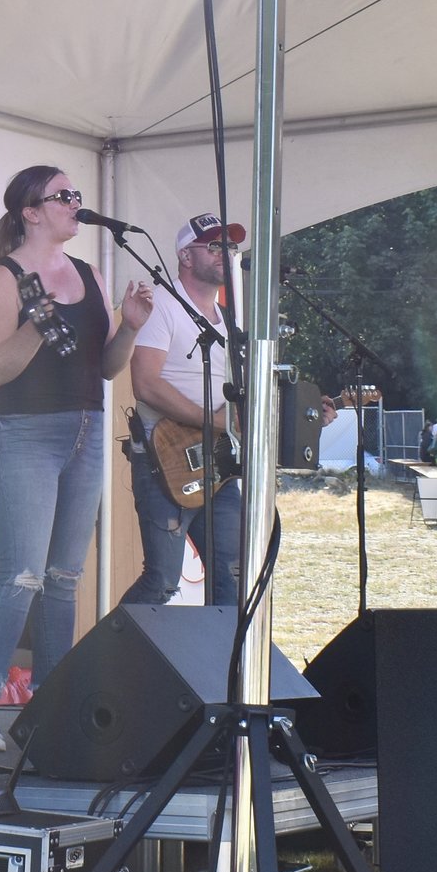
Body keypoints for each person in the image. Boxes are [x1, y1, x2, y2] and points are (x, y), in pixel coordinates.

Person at [0, 167, 153, 748]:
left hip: (85, 429)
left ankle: (45, 709)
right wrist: (36, 325)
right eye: (64, 196)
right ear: (31, 211)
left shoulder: (90, 273)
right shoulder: (5, 277)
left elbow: (105, 367)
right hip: (21, 431)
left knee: (63, 579)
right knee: (20, 571)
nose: (77, 203)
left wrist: (130, 327)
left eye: (78, 195)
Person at [121, 214, 246, 611]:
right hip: (166, 459)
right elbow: (146, 384)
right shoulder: (163, 306)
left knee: (235, 577)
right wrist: (213, 421)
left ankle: (222, 671)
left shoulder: (229, 321)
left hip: (219, 466)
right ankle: (110, 664)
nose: (224, 254)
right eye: (213, 246)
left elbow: (234, 396)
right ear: (185, 256)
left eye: (229, 246)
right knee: (160, 581)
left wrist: (303, 411)